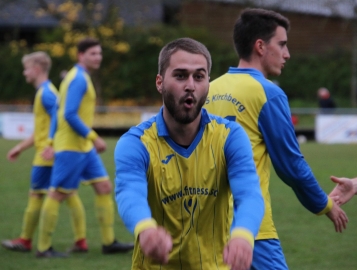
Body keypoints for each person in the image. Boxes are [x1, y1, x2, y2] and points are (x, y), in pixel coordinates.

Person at [204, 8, 348, 270]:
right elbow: (291, 166)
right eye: (281, 44)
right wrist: (325, 205)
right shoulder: (268, 93)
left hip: (206, 226)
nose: (287, 54)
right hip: (253, 229)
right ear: (260, 46)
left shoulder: (209, 89)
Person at [114, 37, 265, 270]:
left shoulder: (230, 136)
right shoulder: (136, 143)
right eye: (180, 75)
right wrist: (145, 228)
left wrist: (243, 235)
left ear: (208, 83)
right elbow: (129, 192)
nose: (191, 85)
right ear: (160, 82)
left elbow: (249, 194)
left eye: (199, 76)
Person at [36, 38, 133, 257]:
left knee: (104, 187)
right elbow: (69, 114)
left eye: (99, 53)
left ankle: (109, 243)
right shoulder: (78, 79)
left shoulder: (77, 76)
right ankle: (43, 248)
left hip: (83, 146)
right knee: (58, 194)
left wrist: (53, 141)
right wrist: (93, 136)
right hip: (72, 146)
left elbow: (59, 112)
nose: (98, 57)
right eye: (93, 54)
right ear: (80, 55)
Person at [1, 52, 86, 253]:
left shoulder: (46, 94)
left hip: (46, 156)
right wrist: (20, 147)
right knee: (68, 193)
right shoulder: (46, 92)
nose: (24, 73)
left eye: (26, 68)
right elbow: (43, 129)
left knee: (38, 195)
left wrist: (51, 145)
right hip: (50, 152)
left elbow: (61, 120)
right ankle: (80, 241)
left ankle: (26, 241)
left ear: (37, 69)